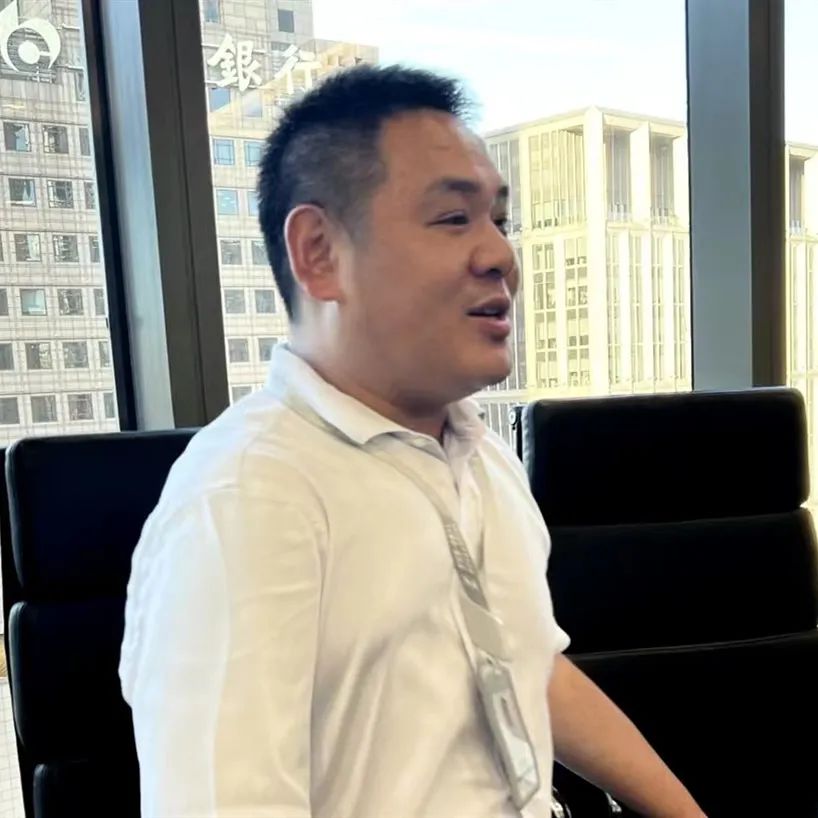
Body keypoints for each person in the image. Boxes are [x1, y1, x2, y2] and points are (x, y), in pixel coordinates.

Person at [119, 64, 706, 818]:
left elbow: (529, 667)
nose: (501, 256)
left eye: (500, 220)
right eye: (454, 219)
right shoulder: (247, 499)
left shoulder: (481, 456)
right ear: (319, 253)